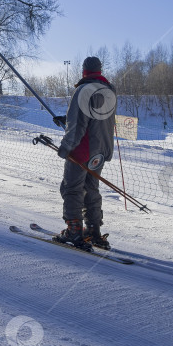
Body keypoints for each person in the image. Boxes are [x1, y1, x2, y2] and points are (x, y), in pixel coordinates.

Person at [53, 56, 116, 251]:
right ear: (100, 70)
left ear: (83, 71)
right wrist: (68, 118)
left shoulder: (82, 91)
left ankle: (74, 231)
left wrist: (66, 147)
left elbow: (78, 126)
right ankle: (93, 230)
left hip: (82, 150)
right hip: (100, 151)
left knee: (72, 188)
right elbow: (96, 118)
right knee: (91, 188)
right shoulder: (109, 91)